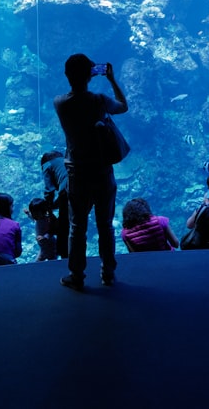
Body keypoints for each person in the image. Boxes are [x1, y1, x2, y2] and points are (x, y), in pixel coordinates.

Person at [54, 54, 128, 290]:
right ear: (90, 75)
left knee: (77, 227)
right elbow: (123, 106)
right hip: (102, 171)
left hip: (77, 173)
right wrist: (111, 79)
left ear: (67, 75)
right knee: (105, 224)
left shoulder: (60, 103)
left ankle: (76, 275)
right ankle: (108, 272)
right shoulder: (99, 100)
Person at [41, 150, 69, 258]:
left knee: (64, 227)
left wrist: (48, 209)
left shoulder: (47, 165)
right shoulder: (65, 160)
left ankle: (64, 257)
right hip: (86, 190)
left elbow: (49, 190)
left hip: (68, 190)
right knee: (78, 225)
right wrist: (53, 206)